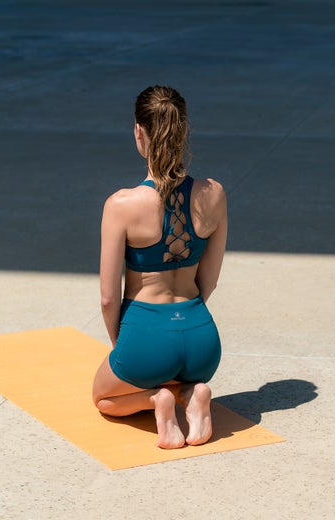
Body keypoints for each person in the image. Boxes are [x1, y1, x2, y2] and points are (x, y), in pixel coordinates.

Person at [92, 85, 227, 449]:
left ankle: (159, 400)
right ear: (183, 130)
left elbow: (108, 299)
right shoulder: (214, 193)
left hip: (147, 337)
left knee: (104, 399)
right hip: (203, 342)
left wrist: (129, 348)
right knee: (177, 370)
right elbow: (209, 280)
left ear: (139, 132)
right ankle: (192, 392)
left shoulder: (121, 204)